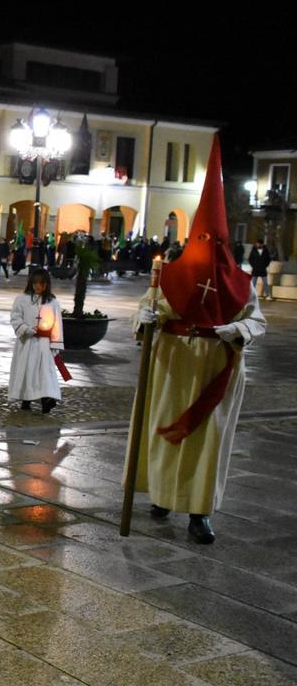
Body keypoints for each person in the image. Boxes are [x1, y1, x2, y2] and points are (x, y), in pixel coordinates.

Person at [125, 138, 266, 544]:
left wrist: (236, 330)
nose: (210, 251)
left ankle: (199, 512)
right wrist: (145, 318)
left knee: (207, 442)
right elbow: (144, 309)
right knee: (165, 430)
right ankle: (163, 496)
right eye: (203, 241)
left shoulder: (240, 283)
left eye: (217, 243)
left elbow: (256, 320)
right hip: (172, 365)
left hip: (216, 371)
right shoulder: (170, 275)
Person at [9, 269, 64, 414]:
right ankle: (25, 399)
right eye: (35, 283)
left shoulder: (53, 302)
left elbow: (57, 324)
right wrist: (25, 329)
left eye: (41, 283)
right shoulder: (22, 299)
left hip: (44, 345)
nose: (38, 286)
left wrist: (55, 345)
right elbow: (15, 317)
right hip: (26, 343)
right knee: (27, 370)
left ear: (46, 284)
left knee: (45, 373)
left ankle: (47, 399)